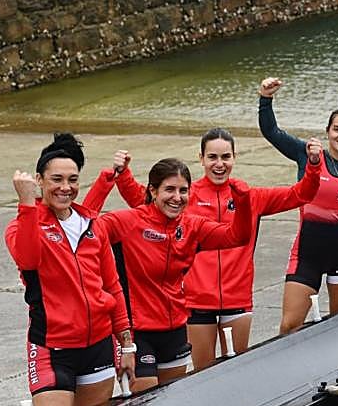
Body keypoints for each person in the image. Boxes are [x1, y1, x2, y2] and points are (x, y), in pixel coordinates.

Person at [90, 158, 256, 393]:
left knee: (171, 402)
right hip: (138, 332)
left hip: (176, 330)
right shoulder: (128, 222)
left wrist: (242, 202)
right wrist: (104, 184)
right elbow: (84, 228)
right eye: (169, 189)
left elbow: (237, 237)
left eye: (183, 190)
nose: (177, 197)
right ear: (153, 191)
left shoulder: (192, 226)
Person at [5, 133, 135, 406]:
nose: (66, 187)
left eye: (73, 180)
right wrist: (26, 203)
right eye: (57, 179)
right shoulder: (21, 226)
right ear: (39, 180)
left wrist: (127, 344)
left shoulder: (92, 225)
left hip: (99, 346)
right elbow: (28, 259)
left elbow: (112, 286)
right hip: (53, 348)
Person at [258, 82, 338, 331]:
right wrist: (265, 99)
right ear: (327, 131)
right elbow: (271, 131)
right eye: (337, 129)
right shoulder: (307, 155)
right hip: (306, 255)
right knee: (289, 327)